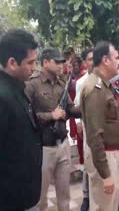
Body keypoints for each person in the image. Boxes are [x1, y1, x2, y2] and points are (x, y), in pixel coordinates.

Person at [25, 47, 81, 211]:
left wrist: (87, 106)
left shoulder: (62, 83)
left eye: (61, 62)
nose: (60, 66)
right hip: (43, 148)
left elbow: (70, 109)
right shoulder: (32, 85)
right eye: (57, 62)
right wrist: (51, 116)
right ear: (45, 62)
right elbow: (27, 116)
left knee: (64, 196)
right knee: (40, 197)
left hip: (62, 145)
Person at [0, 28, 42, 211]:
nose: (34, 68)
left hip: (22, 194)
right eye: (30, 62)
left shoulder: (16, 88)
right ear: (12, 63)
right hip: (10, 199)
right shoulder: (3, 97)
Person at [80, 41, 119, 211]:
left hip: (111, 153)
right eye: (116, 57)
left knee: (110, 204)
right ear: (106, 60)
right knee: (103, 206)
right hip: (104, 157)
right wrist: (106, 175)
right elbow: (94, 135)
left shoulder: (102, 84)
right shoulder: (95, 88)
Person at [74, 47, 94, 211]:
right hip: (88, 127)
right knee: (88, 162)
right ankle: (86, 196)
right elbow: (76, 106)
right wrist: (78, 121)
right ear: (85, 62)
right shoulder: (81, 82)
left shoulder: (105, 78)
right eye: (90, 59)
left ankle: (99, 196)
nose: (93, 61)